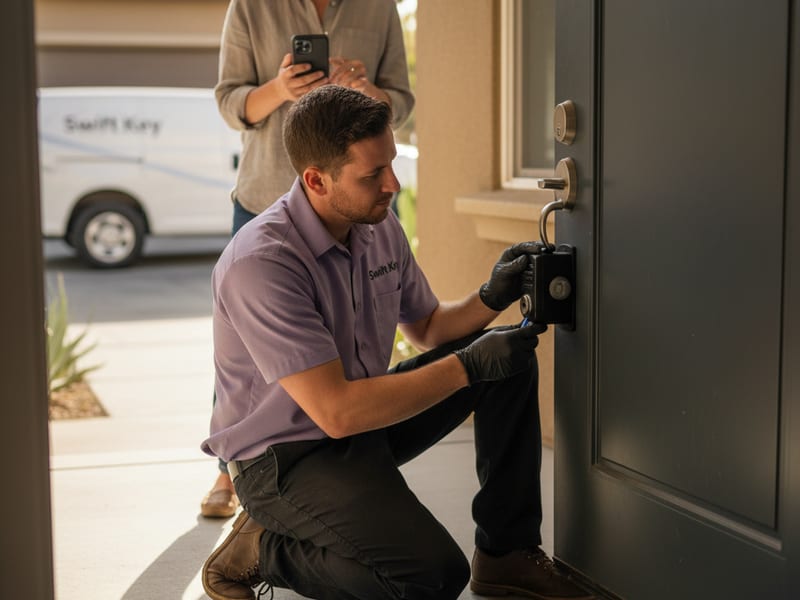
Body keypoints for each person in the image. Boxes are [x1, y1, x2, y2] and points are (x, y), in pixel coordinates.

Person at [200, 85, 594, 600]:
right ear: (316, 179)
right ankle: (262, 551)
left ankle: (507, 555)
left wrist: (489, 298)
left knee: (508, 362)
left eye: (390, 164)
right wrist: (467, 366)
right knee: (430, 577)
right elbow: (335, 412)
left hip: (362, 422)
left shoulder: (375, 224)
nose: (392, 184)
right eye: (372, 175)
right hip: (284, 459)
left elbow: (427, 326)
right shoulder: (262, 264)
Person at [201, 0, 415, 518]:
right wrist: (282, 89)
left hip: (349, 202)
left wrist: (365, 95)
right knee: (249, 352)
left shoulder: (378, 7)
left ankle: (326, 453)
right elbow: (231, 104)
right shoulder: (251, 7)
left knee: (338, 338)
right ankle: (234, 473)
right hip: (264, 199)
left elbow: (401, 103)